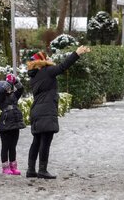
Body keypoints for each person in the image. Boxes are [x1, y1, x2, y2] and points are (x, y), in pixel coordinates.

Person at [26, 45, 91, 179]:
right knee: (45, 141)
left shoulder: (34, 76)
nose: (49, 59)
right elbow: (63, 66)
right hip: (47, 110)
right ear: (42, 61)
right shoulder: (47, 71)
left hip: (36, 111)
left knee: (36, 141)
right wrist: (77, 53)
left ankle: (31, 170)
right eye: (47, 57)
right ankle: (42, 170)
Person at [0, 73, 26, 175]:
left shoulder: (14, 96)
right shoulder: (0, 98)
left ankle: (13, 166)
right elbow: (1, 92)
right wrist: (8, 82)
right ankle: (5, 167)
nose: (8, 88)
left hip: (15, 124)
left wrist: (16, 81)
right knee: (6, 146)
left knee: (13, 146)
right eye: (6, 87)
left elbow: (21, 89)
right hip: (5, 124)